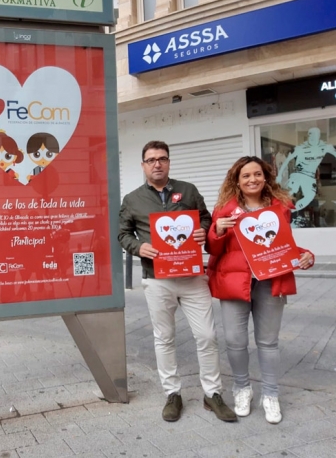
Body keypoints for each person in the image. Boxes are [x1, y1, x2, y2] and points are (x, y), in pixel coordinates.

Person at [118, 140, 236, 423]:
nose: (157, 164)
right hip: (157, 278)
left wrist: (203, 231)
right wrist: (138, 247)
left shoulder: (188, 190)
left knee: (207, 336)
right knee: (164, 338)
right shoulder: (132, 199)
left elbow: (206, 219)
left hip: (192, 276)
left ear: (169, 162)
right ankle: (172, 393)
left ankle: (213, 394)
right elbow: (122, 234)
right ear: (143, 165)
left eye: (162, 158)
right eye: (151, 160)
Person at [206, 156, 314, 424]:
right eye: (246, 175)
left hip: (270, 281)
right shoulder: (224, 209)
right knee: (235, 340)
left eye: (257, 174)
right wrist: (217, 230)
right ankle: (242, 389)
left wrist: (305, 255)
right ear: (237, 180)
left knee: (268, 342)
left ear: (265, 177)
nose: (252, 179)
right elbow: (214, 249)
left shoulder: (279, 208)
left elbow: (282, 245)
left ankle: (270, 394)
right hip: (234, 282)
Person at [275, 127, 336, 212]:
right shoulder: (301, 148)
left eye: (313, 136)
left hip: (310, 176)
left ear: (318, 136)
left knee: (309, 196)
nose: (311, 138)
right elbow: (287, 160)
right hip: (298, 174)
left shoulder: (325, 147)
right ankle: (278, 209)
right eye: (309, 136)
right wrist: (279, 175)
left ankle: (292, 210)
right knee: (291, 192)